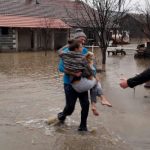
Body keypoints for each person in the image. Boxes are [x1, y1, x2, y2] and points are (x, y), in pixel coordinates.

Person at [59, 39, 112, 116]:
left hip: (75, 82)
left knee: (85, 105)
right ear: (76, 46)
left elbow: (59, 52)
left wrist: (68, 45)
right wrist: (94, 76)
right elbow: (88, 69)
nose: (83, 44)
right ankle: (101, 100)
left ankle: (83, 126)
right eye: (81, 42)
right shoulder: (81, 57)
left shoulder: (65, 55)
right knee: (96, 83)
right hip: (73, 84)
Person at [57, 28, 89, 131]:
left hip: (82, 83)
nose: (83, 42)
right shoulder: (67, 52)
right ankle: (62, 116)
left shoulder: (85, 51)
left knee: (85, 104)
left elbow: (89, 66)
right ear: (75, 40)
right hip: (69, 84)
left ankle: (83, 127)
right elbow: (61, 68)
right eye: (81, 40)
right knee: (70, 108)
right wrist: (74, 73)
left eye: (84, 40)